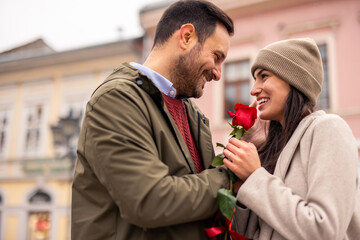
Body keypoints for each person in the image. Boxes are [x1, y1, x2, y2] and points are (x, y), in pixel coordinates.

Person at [71, 1, 234, 239]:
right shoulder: (117, 99)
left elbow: (201, 208)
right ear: (186, 37)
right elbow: (149, 200)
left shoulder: (195, 116)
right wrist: (229, 177)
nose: (218, 73)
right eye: (216, 56)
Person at [223, 38, 360, 239]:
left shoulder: (328, 128)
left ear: (293, 79)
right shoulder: (277, 145)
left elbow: (325, 231)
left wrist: (255, 177)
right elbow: (250, 232)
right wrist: (243, 180)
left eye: (264, 76)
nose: (253, 89)